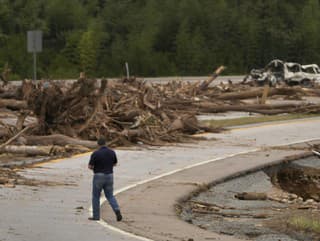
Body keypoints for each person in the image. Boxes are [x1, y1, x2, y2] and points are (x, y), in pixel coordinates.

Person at [88, 137, 122, 221]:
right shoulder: (112, 152)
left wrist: (95, 169)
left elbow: (90, 166)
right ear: (106, 143)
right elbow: (115, 163)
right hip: (110, 176)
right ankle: (117, 210)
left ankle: (96, 216)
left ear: (98, 144)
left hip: (98, 176)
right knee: (110, 195)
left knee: (96, 196)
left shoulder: (95, 153)